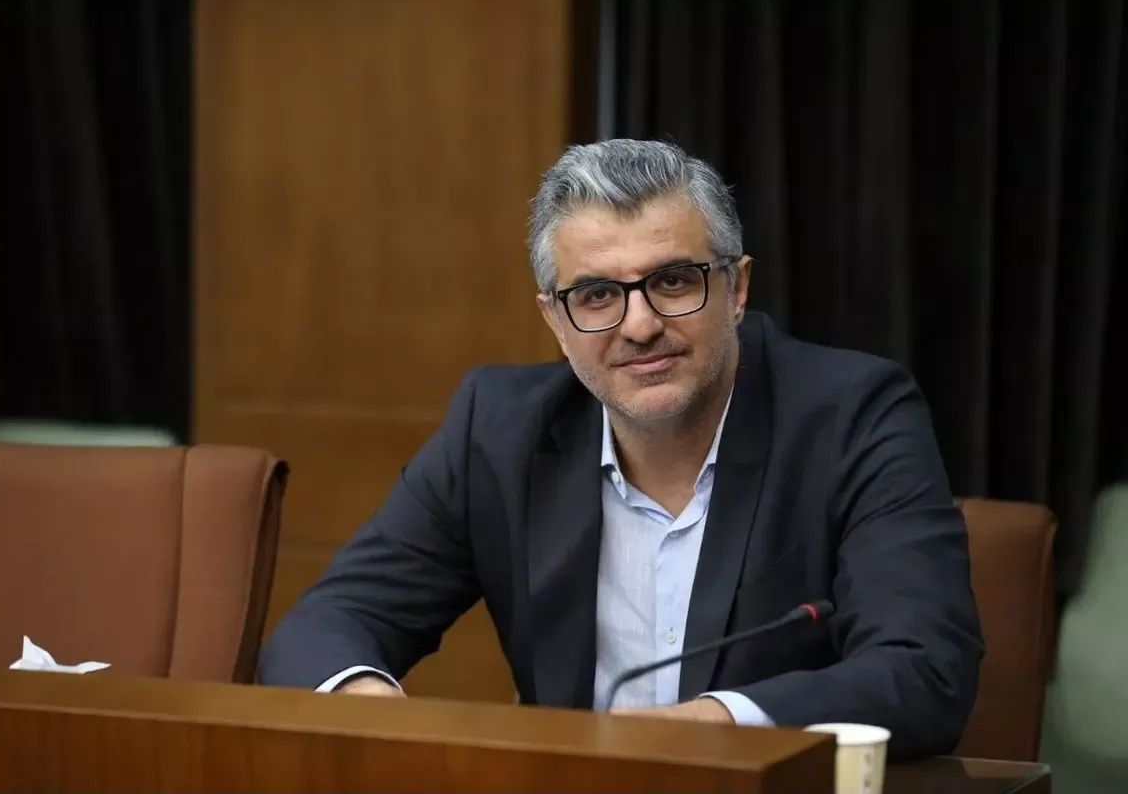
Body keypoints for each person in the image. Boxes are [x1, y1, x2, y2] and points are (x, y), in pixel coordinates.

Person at [258, 138, 983, 760]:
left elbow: (924, 670)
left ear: (736, 288)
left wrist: (709, 726)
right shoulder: (500, 429)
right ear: (555, 318)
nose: (639, 325)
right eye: (598, 295)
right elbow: (326, 626)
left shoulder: (854, 414)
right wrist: (377, 716)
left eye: (673, 281)